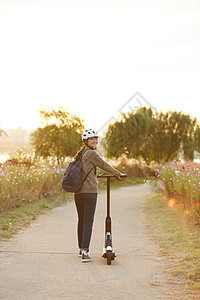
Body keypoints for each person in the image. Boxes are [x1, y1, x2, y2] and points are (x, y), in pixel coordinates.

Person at [74, 129, 124, 263]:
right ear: (86, 141)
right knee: (88, 221)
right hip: (89, 192)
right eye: (92, 139)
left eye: (96, 138)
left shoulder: (81, 154)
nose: (95, 141)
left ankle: (81, 249)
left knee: (82, 220)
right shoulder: (91, 153)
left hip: (78, 192)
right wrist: (117, 173)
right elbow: (103, 165)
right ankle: (85, 252)